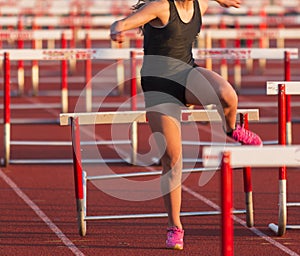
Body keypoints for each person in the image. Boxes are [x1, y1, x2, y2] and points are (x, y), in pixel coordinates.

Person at [110, 0, 262, 250]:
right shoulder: (160, 7)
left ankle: (230, 128)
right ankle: (175, 227)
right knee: (173, 159)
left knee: (227, 94)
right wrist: (117, 29)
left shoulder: (200, 4)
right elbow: (124, 22)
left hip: (187, 75)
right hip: (159, 86)